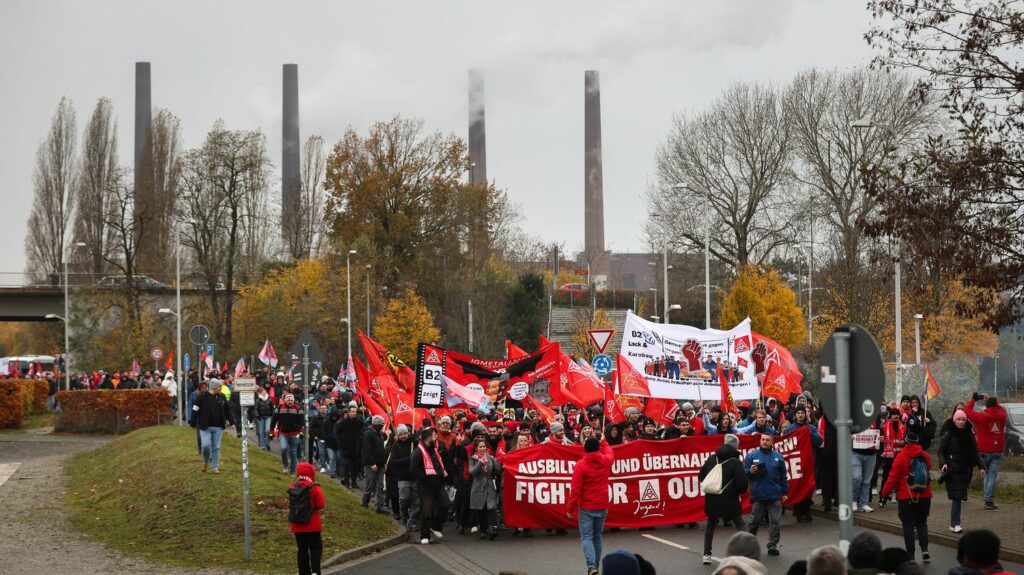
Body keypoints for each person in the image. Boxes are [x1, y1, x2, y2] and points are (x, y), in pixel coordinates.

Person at [880, 431, 932, 562]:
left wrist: (884, 493)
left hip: (906, 496)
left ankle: (911, 556)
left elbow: (893, 478)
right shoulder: (925, 455)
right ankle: (925, 550)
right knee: (922, 523)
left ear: (906, 442)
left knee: (908, 525)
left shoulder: (901, 456)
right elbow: (928, 469)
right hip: (925, 495)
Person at [566, 433, 614, 575]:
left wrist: (570, 508)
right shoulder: (606, 460)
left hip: (587, 507)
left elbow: (575, 489)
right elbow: (611, 453)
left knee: (587, 537)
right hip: (602, 504)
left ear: (585, 449)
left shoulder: (581, 465)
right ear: (598, 448)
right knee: (597, 536)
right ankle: (595, 566)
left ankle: (592, 566)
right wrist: (604, 442)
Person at [699, 434, 749, 565]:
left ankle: (706, 554)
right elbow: (742, 483)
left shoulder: (711, 458)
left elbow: (701, 475)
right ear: (735, 446)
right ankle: (749, 551)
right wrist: (737, 491)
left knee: (710, 526)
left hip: (712, 498)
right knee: (740, 524)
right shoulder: (736, 462)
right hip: (730, 499)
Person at [938, 409, 986, 532]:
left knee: (960, 495)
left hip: (965, 469)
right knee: (957, 496)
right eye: (959, 419)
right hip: (952, 469)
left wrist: (981, 467)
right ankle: (955, 524)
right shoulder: (949, 434)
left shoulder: (969, 434)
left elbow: (975, 452)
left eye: (963, 419)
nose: (961, 422)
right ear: (954, 420)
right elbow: (940, 451)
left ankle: (954, 524)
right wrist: (943, 464)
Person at [743, 432, 787, 556]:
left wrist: (785, 492)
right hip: (758, 495)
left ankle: (772, 546)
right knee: (754, 522)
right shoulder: (752, 456)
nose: (765, 442)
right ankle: (748, 546)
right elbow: (743, 472)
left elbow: (783, 476)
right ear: (760, 441)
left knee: (775, 522)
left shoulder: (778, 457)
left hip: (774, 495)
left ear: (772, 442)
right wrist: (750, 471)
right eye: (763, 439)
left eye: (767, 440)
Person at [965, 392, 1007, 510]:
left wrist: (973, 400)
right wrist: (993, 401)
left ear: (986, 406)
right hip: (998, 449)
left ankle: (987, 499)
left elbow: (967, 412)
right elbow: (1002, 408)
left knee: (986, 474)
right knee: (992, 475)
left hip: (983, 449)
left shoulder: (981, 417)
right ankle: (989, 500)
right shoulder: (1002, 415)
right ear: (995, 405)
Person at [782, 405, 822, 521]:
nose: (800, 415)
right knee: (798, 486)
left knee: (809, 486)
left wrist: (810, 433)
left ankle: (807, 510)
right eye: (798, 413)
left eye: (802, 413)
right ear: (795, 415)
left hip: (809, 462)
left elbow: (819, 441)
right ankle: (799, 512)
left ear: (806, 414)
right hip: (796, 462)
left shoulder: (811, 428)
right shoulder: (790, 429)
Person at [411, 427, 449, 545]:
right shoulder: (418, 451)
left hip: (438, 484)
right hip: (425, 486)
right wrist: (425, 479)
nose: (435, 437)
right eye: (433, 435)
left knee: (446, 504)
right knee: (426, 511)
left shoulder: (436, 449)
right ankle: (425, 535)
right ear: (427, 438)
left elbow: (440, 464)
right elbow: (413, 469)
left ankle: (436, 526)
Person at [190, 378, 236, 474]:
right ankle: (205, 462)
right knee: (206, 445)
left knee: (216, 447)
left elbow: (228, 409)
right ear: (214, 387)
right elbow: (195, 409)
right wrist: (193, 421)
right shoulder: (201, 397)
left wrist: (232, 421)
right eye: (219, 387)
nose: (221, 388)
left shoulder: (221, 397)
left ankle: (215, 467)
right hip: (205, 427)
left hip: (218, 427)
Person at [289, 461, 326, 575]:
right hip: (312, 524)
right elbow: (321, 504)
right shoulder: (314, 487)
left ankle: (303, 572)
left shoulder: (293, 486)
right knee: (316, 548)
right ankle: (315, 571)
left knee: (302, 550)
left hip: (297, 525)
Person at [469, 437, 502, 540]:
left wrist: (496, 462)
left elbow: (498, 470)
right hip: (478, 485)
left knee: (490, 508)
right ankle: (483, 529)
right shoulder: (473, 459)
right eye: (480, 447)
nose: (483, 448)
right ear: (476, 448)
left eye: (484, 446)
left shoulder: (490, 457)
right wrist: (480, 462)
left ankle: (491, 529)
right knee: (481, 509)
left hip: (489, 484)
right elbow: (472, 472)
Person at [271, 393, 305, 475]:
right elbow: (274, 419)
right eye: (288, 400)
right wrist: (271, 431)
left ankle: (293, 472)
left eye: (291, 400)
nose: (290, 401)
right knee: (283, 449)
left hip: (294, 433)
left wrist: (301, 432)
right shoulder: (279, 407)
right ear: (285, 400)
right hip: (283, 433)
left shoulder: (298, 408)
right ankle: (285, 465)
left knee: (293, 453)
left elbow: (302, 421)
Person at [360, 415, 388, 513]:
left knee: (380, 486)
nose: (382, 426)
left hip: (380, 464)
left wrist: (384, 463)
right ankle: (364, 503)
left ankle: (379, 507)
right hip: (371, 465)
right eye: (381, 425)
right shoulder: (368, 433)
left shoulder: (378, 434)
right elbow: (367, 449)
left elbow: (381, 450)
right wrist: (372, 463)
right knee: (370, 485)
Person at [253, 384, 275, 450]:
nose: (264, 393)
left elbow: (272, 408)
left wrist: (272, 414)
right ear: (261, 393)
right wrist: (257, 415)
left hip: (268, 416)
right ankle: (263, 446)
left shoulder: (269, 399)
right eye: (262, 392)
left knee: (267, 430)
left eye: (265, 392)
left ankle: (267, 443)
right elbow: (256, 409)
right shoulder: (258, 400)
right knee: (261, 431)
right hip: (261, 417)